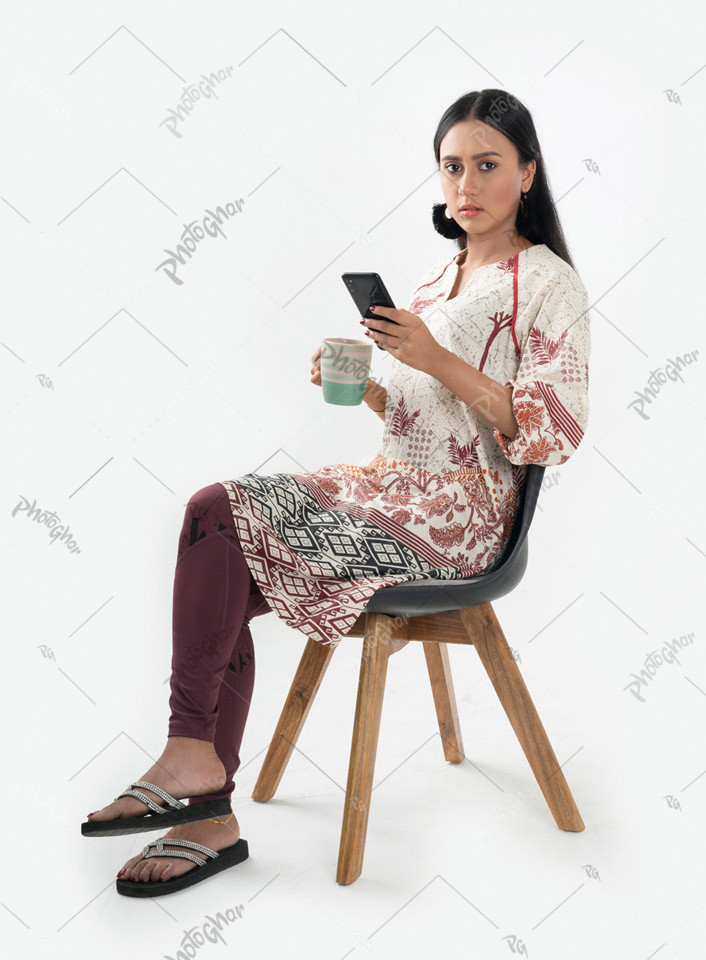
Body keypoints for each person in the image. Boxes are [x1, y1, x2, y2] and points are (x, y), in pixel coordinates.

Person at [82, 87, 591, 896]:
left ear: (527, 173)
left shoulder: (548, 282)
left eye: (487, 165)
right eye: (452, 166)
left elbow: (554, 434)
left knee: (221, 515)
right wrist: (369, 389)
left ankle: (194, 768)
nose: (466, 184)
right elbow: (425, 408)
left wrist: (434, 359)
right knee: (220, 537)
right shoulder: (437, 279)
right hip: (392, 489)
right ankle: (208, 806)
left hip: (461, 518)